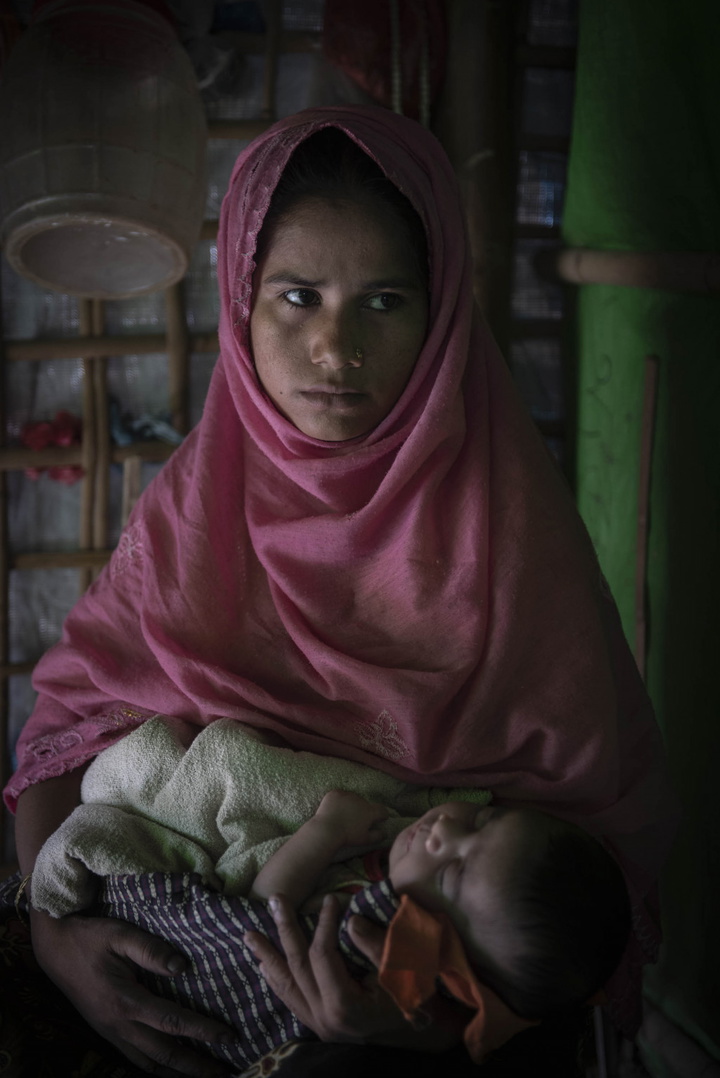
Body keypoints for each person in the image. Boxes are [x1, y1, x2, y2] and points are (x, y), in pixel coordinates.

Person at [4, 105, 677, 1078]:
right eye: (298, 295)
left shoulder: (515, 548)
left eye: (385, 301)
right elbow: (67, 740)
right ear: (241, 297)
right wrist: (54, 942)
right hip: (157, 963)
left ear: (442, 311)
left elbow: (580, 891)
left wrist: (419, 1028)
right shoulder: (191, 518)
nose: (336, 347)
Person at [27, 712, 632, 1071]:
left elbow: (266, 915)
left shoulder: (393, 945)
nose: (446, 830)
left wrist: (324, 830)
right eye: (480, 822)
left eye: (451, 872)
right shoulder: (438, 884)